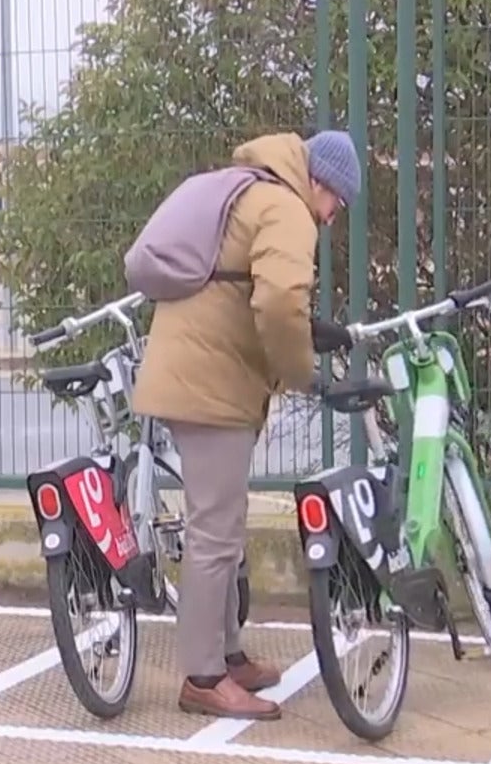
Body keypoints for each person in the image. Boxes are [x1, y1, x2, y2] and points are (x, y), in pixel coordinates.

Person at [132, 129, 360, 721]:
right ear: (320, 183)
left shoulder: (252, 191)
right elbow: (280, 300)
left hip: (203, 376)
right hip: (211, 385)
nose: (332, 217)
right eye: (337, 203)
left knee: (225, 526)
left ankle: (228, 656)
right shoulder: (285, 208)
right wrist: (302, 374)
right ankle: (204, 678)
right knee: (213, 533)